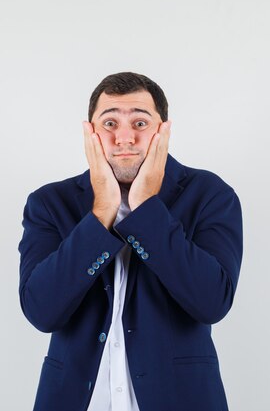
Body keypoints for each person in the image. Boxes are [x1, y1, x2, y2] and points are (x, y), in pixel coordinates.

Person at [18, 72, 243, 411]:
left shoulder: (210, 195)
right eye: (109, 123)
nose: (124, 138)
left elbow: (212, 302)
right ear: (90, 133)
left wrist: (147, 209)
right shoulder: (50, 202)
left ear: (162, 131)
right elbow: (41, 312)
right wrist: (102, 211)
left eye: (140, 123)